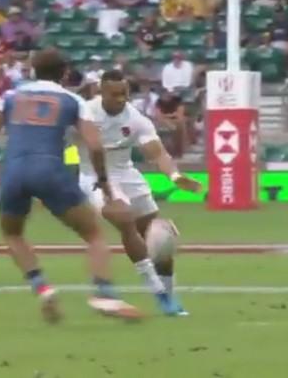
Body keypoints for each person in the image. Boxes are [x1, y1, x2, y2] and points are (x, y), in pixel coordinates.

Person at [0, 49, 143, 322]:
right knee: (94, 235)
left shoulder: (9, 97)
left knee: (13, 234)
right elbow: (95, 146)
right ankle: (104, 294)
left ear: (31, 70)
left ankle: (42, 288)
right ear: (65, 73)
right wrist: (103, 183)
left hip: (14, 171)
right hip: (50, 169)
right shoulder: (73, 100)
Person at [73, 70, 199, 316]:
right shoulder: (84, 113)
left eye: (125, 93)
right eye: (115, 94)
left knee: (158, 236)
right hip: (95, 178)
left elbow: (157, 153)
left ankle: (170, 296)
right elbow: (59, 141)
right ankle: (159, 295)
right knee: (125, 221)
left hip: (127, 175)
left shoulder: (136, 118)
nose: (121, 99)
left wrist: (174, 175)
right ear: (102, 92)